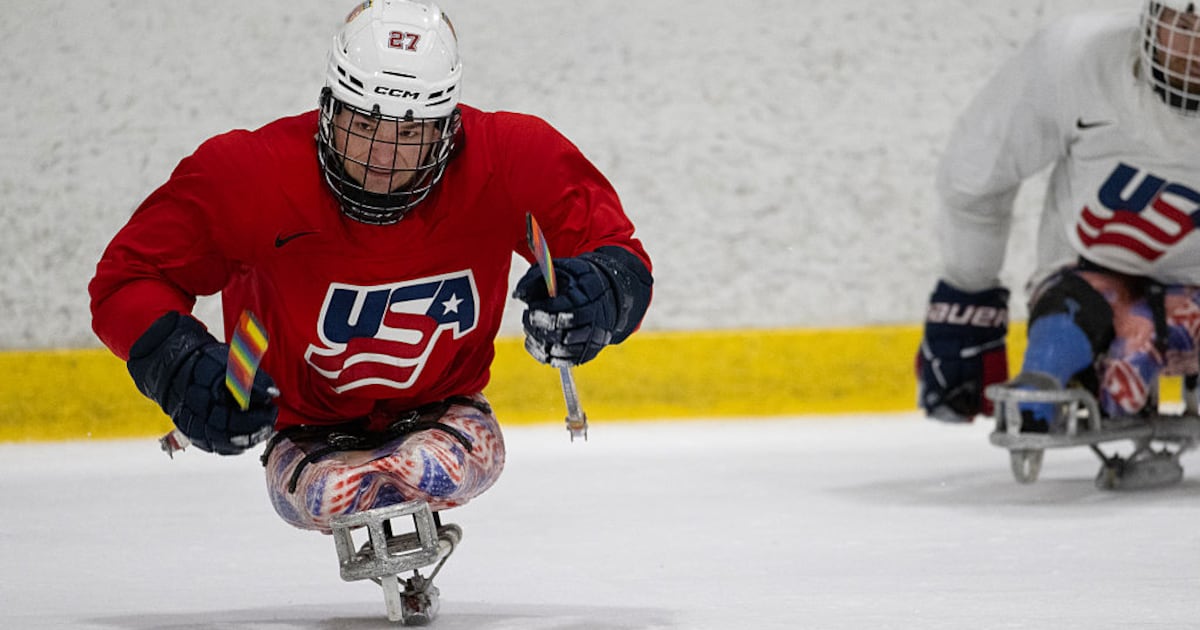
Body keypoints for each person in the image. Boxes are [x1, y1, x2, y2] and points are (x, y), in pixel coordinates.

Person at [89, 0, 653, 533]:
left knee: (417, 473)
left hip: (446, 412)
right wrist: (180, 364)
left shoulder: (509, 158)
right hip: (304, 428)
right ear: (329, 108)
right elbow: (127, 278)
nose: (382, 159)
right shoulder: (250, 175)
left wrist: (599, 294)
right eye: (364, 125)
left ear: (447, 127)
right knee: (332, 492)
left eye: (409, 132)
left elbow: (617, 252)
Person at [918, 1, 1200, 431]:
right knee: (1056, 349)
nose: (1195, 49)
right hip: (1085, 278)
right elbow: (975, 176)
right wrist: (967, 296)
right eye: (1184, 21)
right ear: (1152, 14)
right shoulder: (1077, 58)